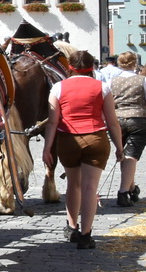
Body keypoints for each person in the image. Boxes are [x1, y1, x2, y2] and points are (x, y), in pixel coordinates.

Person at [43, 49, 123, 250]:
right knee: (90, 188)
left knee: (73, 185)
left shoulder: (58, 87)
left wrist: (47, 149)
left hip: (68, 140)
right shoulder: (102, 88)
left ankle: (72, 226)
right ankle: (86, 235)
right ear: (92, 67)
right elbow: (112, 122)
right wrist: (119, 147)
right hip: (96, 138)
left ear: (70, 67)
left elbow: (52, 122)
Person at [107, 52, 146, 207]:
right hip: (138, 120)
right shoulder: (143, 80)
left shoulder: (112, 81)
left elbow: (108, 103)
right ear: (135, 63)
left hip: (117, 121)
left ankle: (132, 188)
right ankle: (123, 192)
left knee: (123, 154)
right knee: (131, 156)